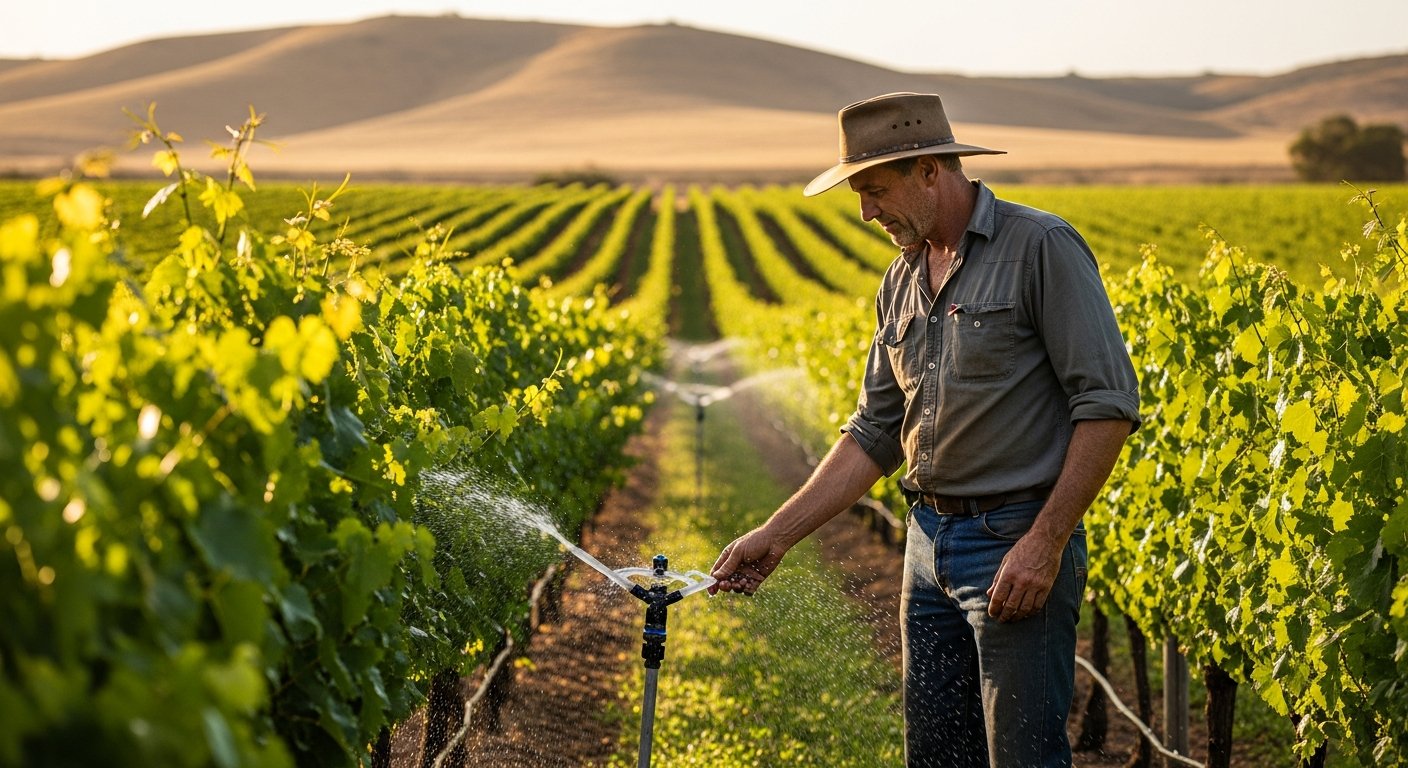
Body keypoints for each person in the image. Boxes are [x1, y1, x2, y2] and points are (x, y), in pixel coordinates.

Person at [709, 92, 1141, 768]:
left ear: (930, 171)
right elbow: (875, 431)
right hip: (925, 545)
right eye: (859, 194)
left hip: (1013, 544)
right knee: (935, 755)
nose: (866, 212)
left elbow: (1107, 404)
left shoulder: (1040, 247)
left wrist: (1045, 542)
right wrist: (777, 535)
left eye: (875, 191)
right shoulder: (900, 279)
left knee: (1022, 757)